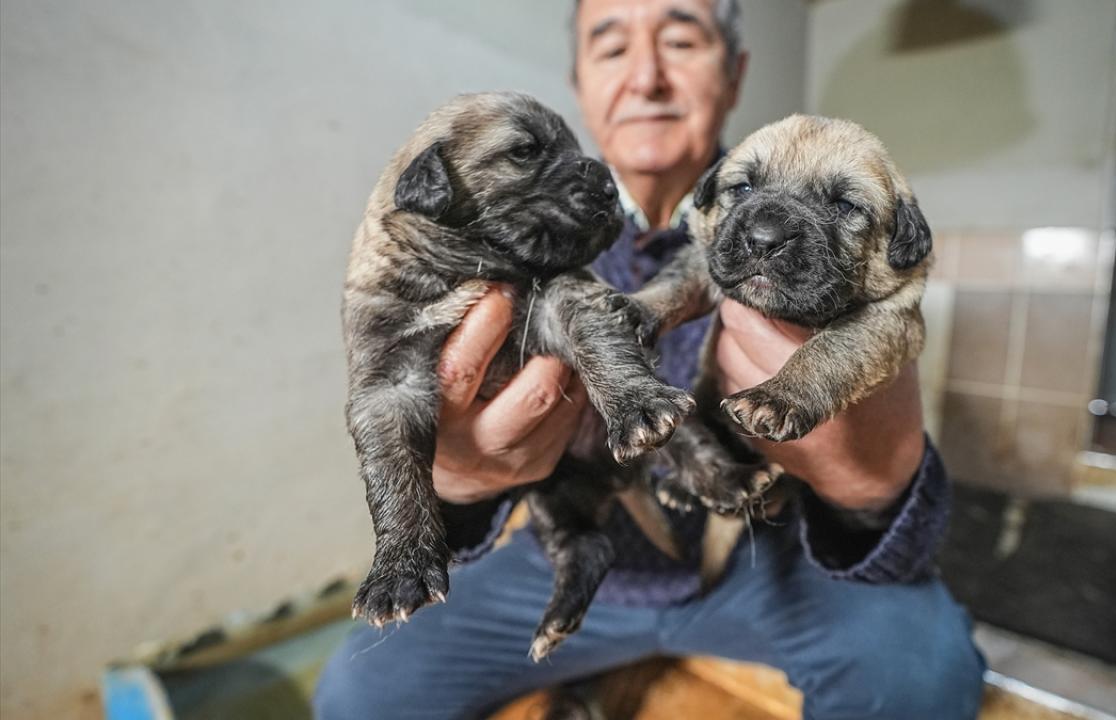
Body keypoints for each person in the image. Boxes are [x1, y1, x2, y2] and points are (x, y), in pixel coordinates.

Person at [314, 1, 986, 717]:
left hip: (767, 558)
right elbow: (436, 404)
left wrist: (876, 484)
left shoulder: (843, 220)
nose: (646, 76)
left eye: (680, 38)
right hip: (566, 552)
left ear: (735, 74)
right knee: (361, 691)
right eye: (610, 47)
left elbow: (901, 532)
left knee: (924, 673)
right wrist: (460, 484)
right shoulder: (518, 224)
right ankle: (578, 655)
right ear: (579, 80)